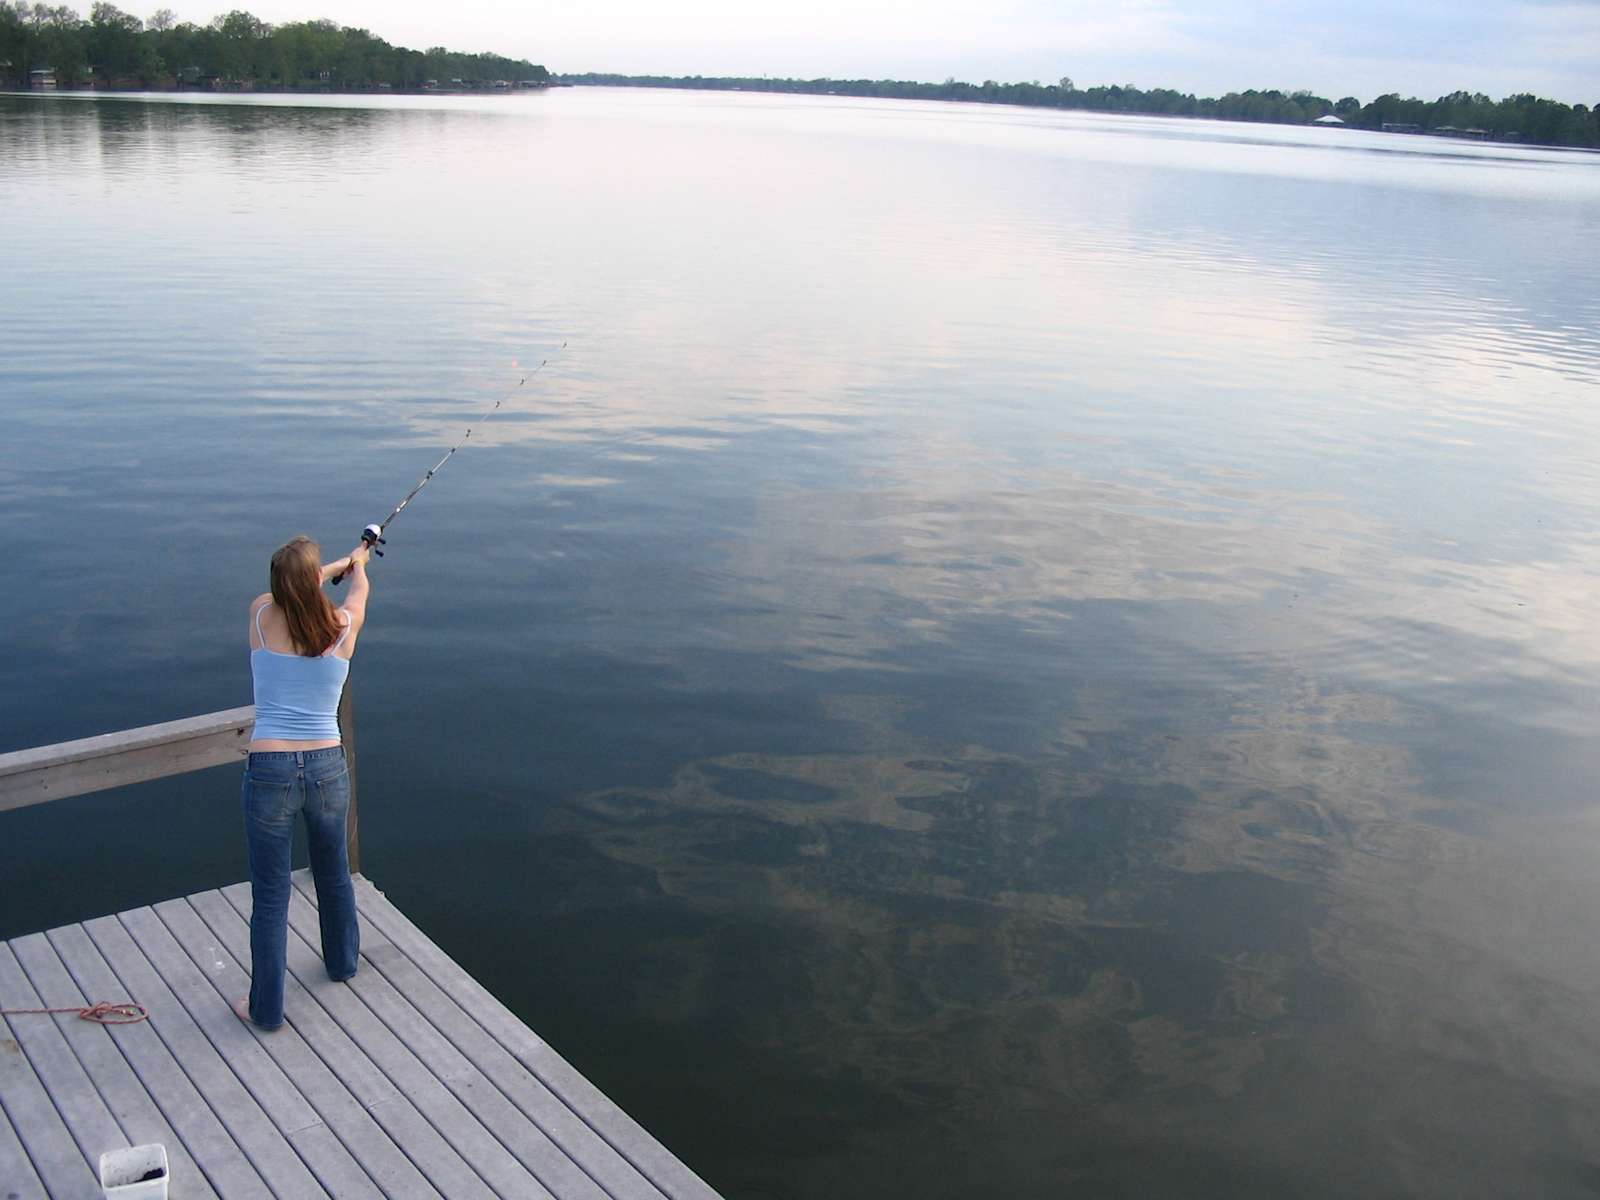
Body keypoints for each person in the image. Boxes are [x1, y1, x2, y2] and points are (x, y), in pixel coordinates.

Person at [235, 535, 371, 1029]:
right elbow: (358, 594)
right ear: (314, 582)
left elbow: (292, 590)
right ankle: (343, 963)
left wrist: (330, 567)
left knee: (271, 894)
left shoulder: (260, 616)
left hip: (270, 769)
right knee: (333, 873)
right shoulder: (341, 626)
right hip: (326, 767)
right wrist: (357, 565)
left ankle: (266, 1010)